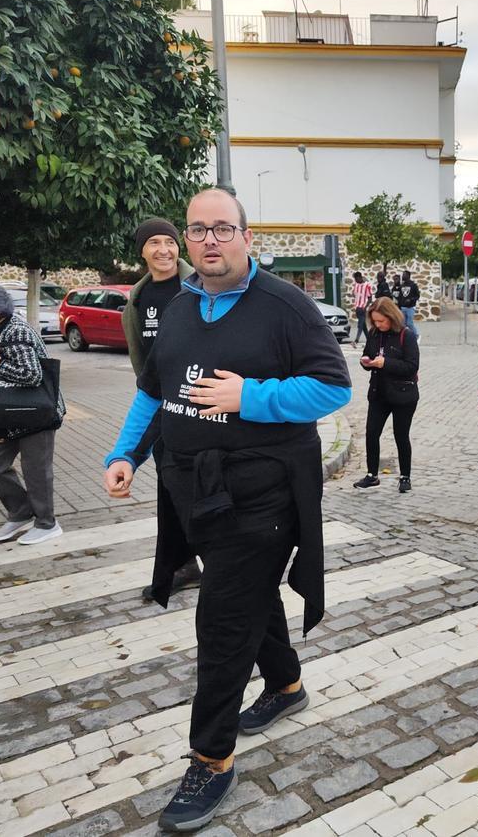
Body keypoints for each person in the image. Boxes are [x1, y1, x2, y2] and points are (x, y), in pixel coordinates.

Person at [103, 188, 352, 832]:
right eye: (197, 229)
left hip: (263, 493)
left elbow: (333, 386)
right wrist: (127, 452)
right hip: (194, 490)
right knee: (242, 593)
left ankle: (211, 759)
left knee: (221, 620)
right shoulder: (180, 306)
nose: (208, 240)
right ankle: (287, 686)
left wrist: (251, 397)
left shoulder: (285, 305)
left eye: (222, 228)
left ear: (246, 236)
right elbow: (153, 391)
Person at [120, 218, 203, 602]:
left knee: (199, 487)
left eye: (169, 242)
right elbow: (142, 358)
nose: (163, 250)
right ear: (142, 251)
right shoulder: (137, 299)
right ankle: (183, 565)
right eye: (154, 243)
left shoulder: (198, 286)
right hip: (160, 404)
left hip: (200, 402)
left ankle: (222, 563)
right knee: (169, 490)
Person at [0, 282, 66, 546]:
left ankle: (47, 523)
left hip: (36, 412)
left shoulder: (16, 331)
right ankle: (21, 512)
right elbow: (3, 373)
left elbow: (31, 375)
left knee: (36, 471)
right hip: (6, 413)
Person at [354, 296, 420, 493]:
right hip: (378, 393)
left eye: (381, 321)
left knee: (401, 435)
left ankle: (405, 476)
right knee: (371, 433)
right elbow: (368, 354)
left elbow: (411, 366)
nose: (378, 324)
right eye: (375, 321)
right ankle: (372, 475)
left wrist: (386, 363)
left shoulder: (406, 335)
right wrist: (366, 362)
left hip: (403, 395)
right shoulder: (374, 334)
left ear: (391, 317)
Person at [350, 271, 373, 347]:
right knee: (363, 326)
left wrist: (365, 307)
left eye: (356, 279)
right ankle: (369, 340)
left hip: (363, 307)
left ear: (360, 277)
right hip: (357, 307)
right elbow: (354, 294)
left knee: (360, 324)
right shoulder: (356, 285)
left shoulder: (367, 285)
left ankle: (356, 340)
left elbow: (370, 298)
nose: (355, 280)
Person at [397, 270, 420, 337]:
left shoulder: (413, 285)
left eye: (404, 275)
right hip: (403, 307)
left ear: (408, 276)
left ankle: (415, 335)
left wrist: (411, 300)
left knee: (409, 323)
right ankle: (405, 336)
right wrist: (399, 305)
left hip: (410, 307)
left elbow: (417, 296)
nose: (402, 276)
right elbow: (400, 296)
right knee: (403, 324)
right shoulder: (402, 285)